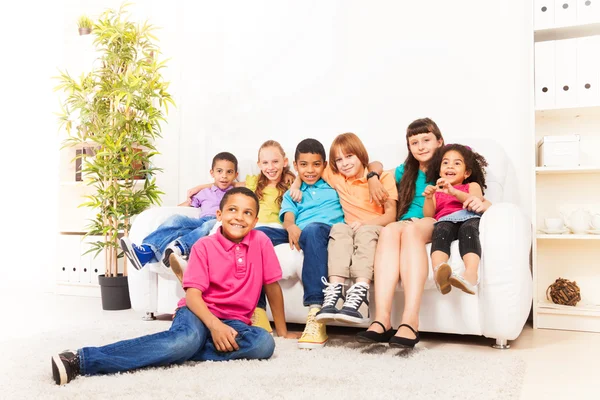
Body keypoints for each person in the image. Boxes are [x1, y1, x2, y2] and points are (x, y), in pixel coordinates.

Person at [51, 187, 295, 385]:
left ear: (255, 220)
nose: (239, 217)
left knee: (264, 343)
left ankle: (185, 345)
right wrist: (214, 325)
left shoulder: (261, 241)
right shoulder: (204, 247)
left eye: (247, 213)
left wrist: (281, 332)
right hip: (198, 312)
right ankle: (81, 360)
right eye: (232, 209)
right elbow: (192, 297)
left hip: (235, 322)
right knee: (184, 340)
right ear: (219, 215)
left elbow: (272, 287)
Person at [174, 140, 294, 334]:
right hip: (252, 227)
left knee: (262, 344)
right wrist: (201, 187)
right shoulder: (255, 182)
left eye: (275, 162)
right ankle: (195, 263)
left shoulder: (290, 183)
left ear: (285, 162)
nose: (270, 167)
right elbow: (229, 184)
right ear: (259, 165)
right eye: (265, 163)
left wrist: (293, 179)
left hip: (272, 228)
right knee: (211, 226)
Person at [290, 133, 398, 325]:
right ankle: (336, 292)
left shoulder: (384, 178)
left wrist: (372, 177)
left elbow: (390, 216)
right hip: (349, 229)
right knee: (338, 229)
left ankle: (361, 296)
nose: (345, 163)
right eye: (339, 160)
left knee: (364, 234)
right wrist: (296, 184)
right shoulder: (337, 177)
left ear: (360, 155)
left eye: (349, 156)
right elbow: (306, 170)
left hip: (375, 227)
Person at [255, 138, 344, 349]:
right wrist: (291, 227)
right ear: (295, 166)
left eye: (316, 164)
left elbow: (371, 165)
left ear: (325, 165)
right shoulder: (292, 193)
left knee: (312, 229)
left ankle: (316, 312)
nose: (310, 170)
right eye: (303, 165)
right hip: (298, 231)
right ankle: (257, 311)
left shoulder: (334, 183)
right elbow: (287, 217)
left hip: (323, 231)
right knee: (256, 235)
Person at [119, 152, 238, 271]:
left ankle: (180, 248)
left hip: (220, 223)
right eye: (219, 171)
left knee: (208, 225)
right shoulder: (204, 192)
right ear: (212, 173)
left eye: (229, 172)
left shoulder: (237, 192)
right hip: (201, 221)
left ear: (235, 175)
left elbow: (247, 184)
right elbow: (186, 206)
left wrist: (201, 186)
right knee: (177, 220)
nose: (224, 176)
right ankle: (146, 251)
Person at [423, 144, 490, 295]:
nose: (450, 166)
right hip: (445, 220)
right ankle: (439, 272)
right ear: (439, 170)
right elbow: (428, 215)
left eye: (457, 163)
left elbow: (476, 199)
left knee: (469, 231)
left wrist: (453, 192)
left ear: (466, 173)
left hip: (468, 216)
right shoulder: (436, 191)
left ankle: (471, 275)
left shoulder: (471, 185)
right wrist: (428, 198)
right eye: (445, 163)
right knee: (440, 231)